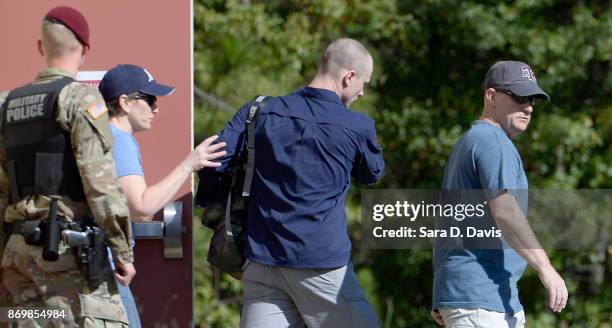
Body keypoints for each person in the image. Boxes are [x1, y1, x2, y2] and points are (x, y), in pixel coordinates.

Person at [199, 38, 384, 328]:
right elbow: (371, 174)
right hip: (321, 266)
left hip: (262, 261)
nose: (362, 92)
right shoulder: (357, 127)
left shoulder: (259, 112)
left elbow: (213, 162)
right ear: (349, 76)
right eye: (364, 82)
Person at [0, 6, 134, 326]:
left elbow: (2, 189)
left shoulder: (6, 105)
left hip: (17, 258)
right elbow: (100, 183)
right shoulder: (80, 100)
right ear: (85, 49)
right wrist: (122, 250)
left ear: (40, 47)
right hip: (66, 257)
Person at [431, 61, 568, 328]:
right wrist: (546, 269)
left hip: (482, 298)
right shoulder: (493, 141)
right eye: (518, 97)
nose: (527, 107)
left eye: (531, 100)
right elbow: (505, 210)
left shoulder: (470, 140)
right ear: (491, 97)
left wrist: (444, 293)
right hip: (482, 299)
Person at [97, 64, 226, 327]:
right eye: (150, 99)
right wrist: (189, 164)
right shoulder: (119, 141)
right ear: (125, 102)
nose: (156, 108)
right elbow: (142, 207)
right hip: (104, 277)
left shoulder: (101, 136)